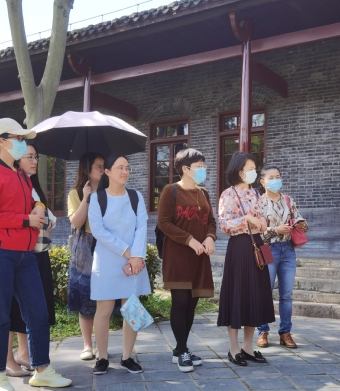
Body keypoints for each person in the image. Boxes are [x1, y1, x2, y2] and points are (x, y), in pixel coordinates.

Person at [0, 118, 72, 391]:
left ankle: (42, 370)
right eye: (19, 139)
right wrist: (26, 220)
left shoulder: (21, 174)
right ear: (2, 142)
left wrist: (37, 207)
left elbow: (30, 201)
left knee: (38, 313)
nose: (23, 144)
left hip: (25, 255)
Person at [88, 154, 150, 375]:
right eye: (120, 168)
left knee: (131, 308)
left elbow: (142, 226)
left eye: (127, 168)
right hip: (107, 261)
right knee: (103, 311)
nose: (125, 172)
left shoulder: (135, 196)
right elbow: (98, 231)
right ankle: (102, 357)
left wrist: (137, 255)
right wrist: (127, 252)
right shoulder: (97, 198)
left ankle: (127, 356)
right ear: (107, 172)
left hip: (134, 261)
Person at [158, 149, 217, 372]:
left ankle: (180, 349)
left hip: (199, 257)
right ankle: (182, 350)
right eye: (199, 166)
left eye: (204, 165)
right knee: (180, 302)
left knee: (192, 303)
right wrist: (189, 239)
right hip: (178, 256)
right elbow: (164, 223)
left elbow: (211, 221)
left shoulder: (204, 193)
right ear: (185, 168)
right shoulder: (170, 190)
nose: (203, 170)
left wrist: (210, 237)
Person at [217, 152, 275, 367]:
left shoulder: (256, 193)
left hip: (257, 245)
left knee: (254, 295)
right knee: (237, 294)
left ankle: (247, 346)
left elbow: (263, 219)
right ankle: (233, 348)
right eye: (250, 169)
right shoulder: (228, 194)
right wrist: (246, 219)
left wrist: (262, 221)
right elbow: (224, 225)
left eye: (254, 169)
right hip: (240, 247)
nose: (254, 172)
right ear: (239, 171)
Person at [5, 144, 57, 376]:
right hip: (16, 252)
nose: (35, 161)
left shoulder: (31, 184)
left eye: (36, 156)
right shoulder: (13, 182)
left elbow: (48, 217)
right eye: (30, 157)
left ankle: (24, 353)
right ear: (17, 159)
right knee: (11, 306)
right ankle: (7, 359)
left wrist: (44, 212)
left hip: (37, 252)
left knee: (32, 307)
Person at [256, 165, 309, 349]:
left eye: (277, 176)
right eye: (271, 177)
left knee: (286, 294)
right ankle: (262, 331)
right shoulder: (258, 203)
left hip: (287, 249)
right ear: (263, 181)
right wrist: (275, 230)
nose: (275, 180)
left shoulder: (288, 200)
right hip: (267, 249)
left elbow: (301, 222)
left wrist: (301, 224)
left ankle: (285, 332)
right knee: (265, 291)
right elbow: (256, 233)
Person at [67, 152, 105, 361]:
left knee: (105, 297)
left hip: (105, 244)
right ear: (87, 169)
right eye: (98, 166)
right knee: (85, 296)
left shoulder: (109, 192)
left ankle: (101, 344)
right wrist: (86, 198)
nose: (102, 169)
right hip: (84, 245)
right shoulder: (75, 193)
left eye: (103, 166)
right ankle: (87, 345)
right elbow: (76, 222)